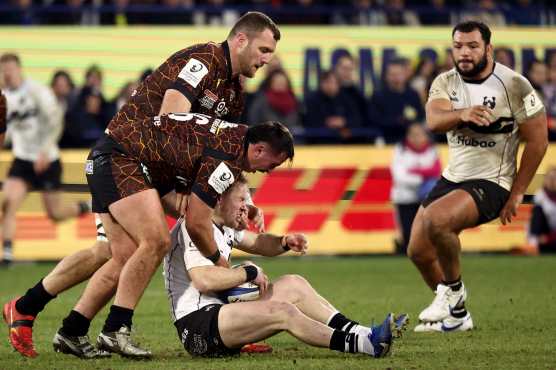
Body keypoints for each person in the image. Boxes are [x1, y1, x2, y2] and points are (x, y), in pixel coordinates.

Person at [3, 11, 278, 358]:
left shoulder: (234, 92)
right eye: (264, 49)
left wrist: (237, 197)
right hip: (126, 156)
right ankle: (111, 328)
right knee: (149, 243)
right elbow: (171, 120)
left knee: (119, 255)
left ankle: (48, 318)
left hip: (144, 167)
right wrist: (188, 190)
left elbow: (222, 154)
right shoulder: (204, 60)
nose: (267, 60)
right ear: (241, 39)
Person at [165, 176, 407, 358]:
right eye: (241, 199)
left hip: (222, 315)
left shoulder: (224, 226)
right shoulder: (194, 227)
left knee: (294, 284)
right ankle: (365, 345)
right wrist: (248, 272)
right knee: (283, 311)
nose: (246, 207)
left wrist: (283, 242)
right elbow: (203, 280)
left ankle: (366, 332)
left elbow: (258, 242)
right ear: (219, 199)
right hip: (197, 327)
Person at [407, 21, 548, 332]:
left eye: (472, 46)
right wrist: (462, 114)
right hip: (454, 177)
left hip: (493, 182)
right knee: (417, 251)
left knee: (439, 221)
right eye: (458, 46)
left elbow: (538, 141)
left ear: (488, 48)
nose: (464, 52)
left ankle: (453, 291)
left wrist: (517, 193)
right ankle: (458, 317)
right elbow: (433, 120)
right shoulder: (444, 82)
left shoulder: (514, 85)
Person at [0, 53, 90, 266]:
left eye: (10, 69)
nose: (7, 74)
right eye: (3, 70)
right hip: (22, 159)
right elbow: (10, 130)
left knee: (56, 214)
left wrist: (44, 150)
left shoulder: (37, 91)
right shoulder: (4, 97)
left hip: (47, 158)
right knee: (8, 203)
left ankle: (87, 206)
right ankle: (7, 255)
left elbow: (55, 121)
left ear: (19, 69)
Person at [390, 123, 441, 254]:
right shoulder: (400, 150)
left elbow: (437, 172)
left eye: (419, 134)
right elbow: (400, 177)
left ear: (426, 136)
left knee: (426, 232)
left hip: (426, 199)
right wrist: (424, 178)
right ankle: (403, 251)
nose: (416, 138)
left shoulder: (432, 150)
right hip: (404, 198)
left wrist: (414, 172)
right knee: (408, 233)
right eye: (413, 135)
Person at [527, 167, 556, 254]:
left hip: (551, 237)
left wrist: (549, 238)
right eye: (549, 178)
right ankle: (533, 243)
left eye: (554, 178)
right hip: (544, 237)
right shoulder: (540, 195)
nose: (552, 181)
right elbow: (535, 221)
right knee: (538, 211)